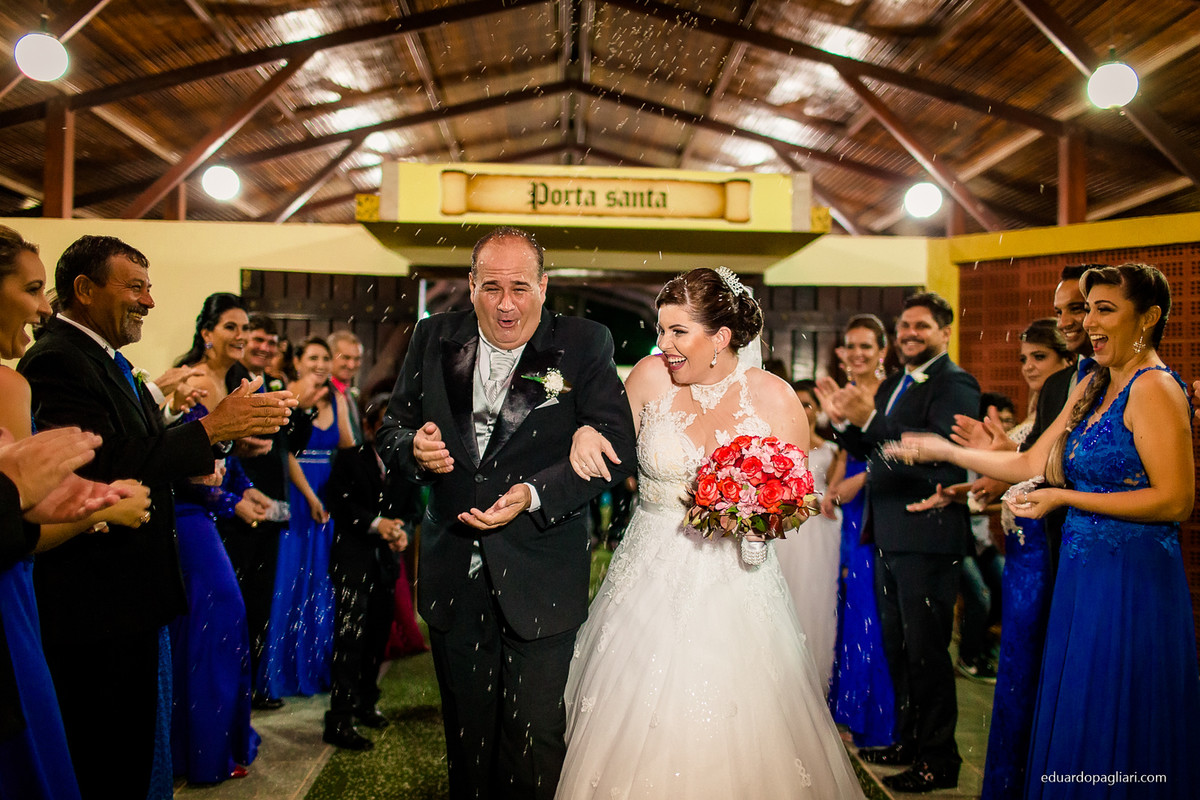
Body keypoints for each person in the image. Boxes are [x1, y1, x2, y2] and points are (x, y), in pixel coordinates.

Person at [894, 263, 1200, 799]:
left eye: (1105, 310)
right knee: (1080, 698)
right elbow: (1034, 459)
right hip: (1082, 574)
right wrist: (945, 450)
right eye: (1087, 310)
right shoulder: (1092, 382)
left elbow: (1176, 499)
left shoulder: (1154, 389)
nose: (1090, 323)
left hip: (1132, 577)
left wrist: (1063, 497)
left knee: (1118, 703)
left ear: (1148, 318)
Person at [558, 267, 864, 799]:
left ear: (721, 338)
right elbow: (603, 437)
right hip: (648, 574)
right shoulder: (649, 377)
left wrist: (751, 517)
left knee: (741, 720)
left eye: (678, 332)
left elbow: (797, 499)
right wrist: (584, 428)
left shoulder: (775, 399)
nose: (663, 344)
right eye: (660, 330)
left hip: (738, 582)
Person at [16, 234, 294, 800]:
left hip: (132, 591)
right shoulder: (56, 360)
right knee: (110, 754)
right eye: (135, 287)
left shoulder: (104, 358)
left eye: (150, 288)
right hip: (98, 594)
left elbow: (149, 445)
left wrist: (219, 436)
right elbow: (98, 463)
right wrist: (212, 430)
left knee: (138, 744)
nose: (149, 301)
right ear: (85, 290)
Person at [377, 226, 637, 799]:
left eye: (520, 286)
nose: (506, 303)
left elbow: (617, 448)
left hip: (541, 571)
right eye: (491, 287)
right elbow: (390, 428)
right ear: (470, 287)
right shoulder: (431, 336)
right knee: (468, 742)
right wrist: (411, 451)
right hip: (454, 573)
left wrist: (535, 494)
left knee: (535, 738)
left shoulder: (584, 342)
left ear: (544, 288)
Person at [0, 225, 152, 800]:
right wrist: (94, 510)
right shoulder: (30, 373)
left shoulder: (80, 362)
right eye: (33, 289)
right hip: (62, 591)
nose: (44, 306)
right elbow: (17, 515)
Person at [817, 292, 980, 792]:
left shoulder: (954, 384)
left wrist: (870, 421)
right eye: (905, 325)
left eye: (922, 326)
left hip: (927, 535)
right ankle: (908, 741)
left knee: (929, 653)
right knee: (901, 648)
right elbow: (876, 448)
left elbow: (941, 458)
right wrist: (846, 425)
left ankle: (938, 758)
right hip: (889, 534)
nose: (910, 333)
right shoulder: (899, 384)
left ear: (945, 331)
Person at [167, 293, 270, 783]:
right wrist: (231, 501)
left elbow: (226, 462)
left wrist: (246, 490)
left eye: (245, 328)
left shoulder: (232, 382)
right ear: (206, 332)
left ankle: (214, 742)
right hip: (184, 515)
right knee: (219, 620)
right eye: (231, 326)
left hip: (210, 515)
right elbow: (174, 464)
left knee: (216, 625)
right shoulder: (187, 380)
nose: (241, 336)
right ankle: (200, 751)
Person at [221, 313, 316, 710]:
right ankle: (233, 688)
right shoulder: (231, 380)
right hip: (235, 506)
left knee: (261, 600)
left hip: (274, 501)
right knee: (237, 600)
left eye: (270, 342)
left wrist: (301, 408)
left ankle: (256, 682)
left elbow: (291, 445)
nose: (262, 346)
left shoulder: (276, 385)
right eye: (256, 338)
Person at [260, 335, 355, 699]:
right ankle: (278, 669)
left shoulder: (337, 397)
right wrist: (311, 495)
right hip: (297, 493)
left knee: (319, 581)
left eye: (325, 358)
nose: (320, 364)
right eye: (313, 357)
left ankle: (314, 665)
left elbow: (348, 446)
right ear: (296, 361)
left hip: (325, 495)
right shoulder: (285, 394)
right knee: (289, 580)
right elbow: (284, 453)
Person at [819, 313, 896, 750]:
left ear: (882, 351)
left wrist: (859, 482)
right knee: (850, 605)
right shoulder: (846, 393)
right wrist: (833, 489)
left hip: (880, 505)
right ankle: (850, 708)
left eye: (867, 346)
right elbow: (849, 454)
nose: (858, 354)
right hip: (851, 512)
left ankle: (877, 717)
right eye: (851, 346)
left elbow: (893, 448)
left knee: (872, 609)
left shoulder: (891, 394)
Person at [322, 394, 410, 751]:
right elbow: (339, 504)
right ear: (371, 427)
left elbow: (410, 509)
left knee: (376, 638)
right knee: (350, 641)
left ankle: (365, 702)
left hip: (385, 566)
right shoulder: (348, 459)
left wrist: (401, 530)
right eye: (384, 424)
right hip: (353, 561)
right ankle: (339, 718)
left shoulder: (405, 465)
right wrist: (377, 524)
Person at [773, 379, 841, 694]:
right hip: (788, 528)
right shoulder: (778, 448)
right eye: (797, 402)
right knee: (783, 591)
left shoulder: (833, 450)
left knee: (817, 596)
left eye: (808, 403)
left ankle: (814, 680)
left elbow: (837, 493)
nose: (803, 410)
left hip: (820, 530)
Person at [328, 329, 365, 443]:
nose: (351, 365)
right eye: (346, 357)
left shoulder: (350, 394)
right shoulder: (323, 393)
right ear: (330, 356)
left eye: (357, 359)